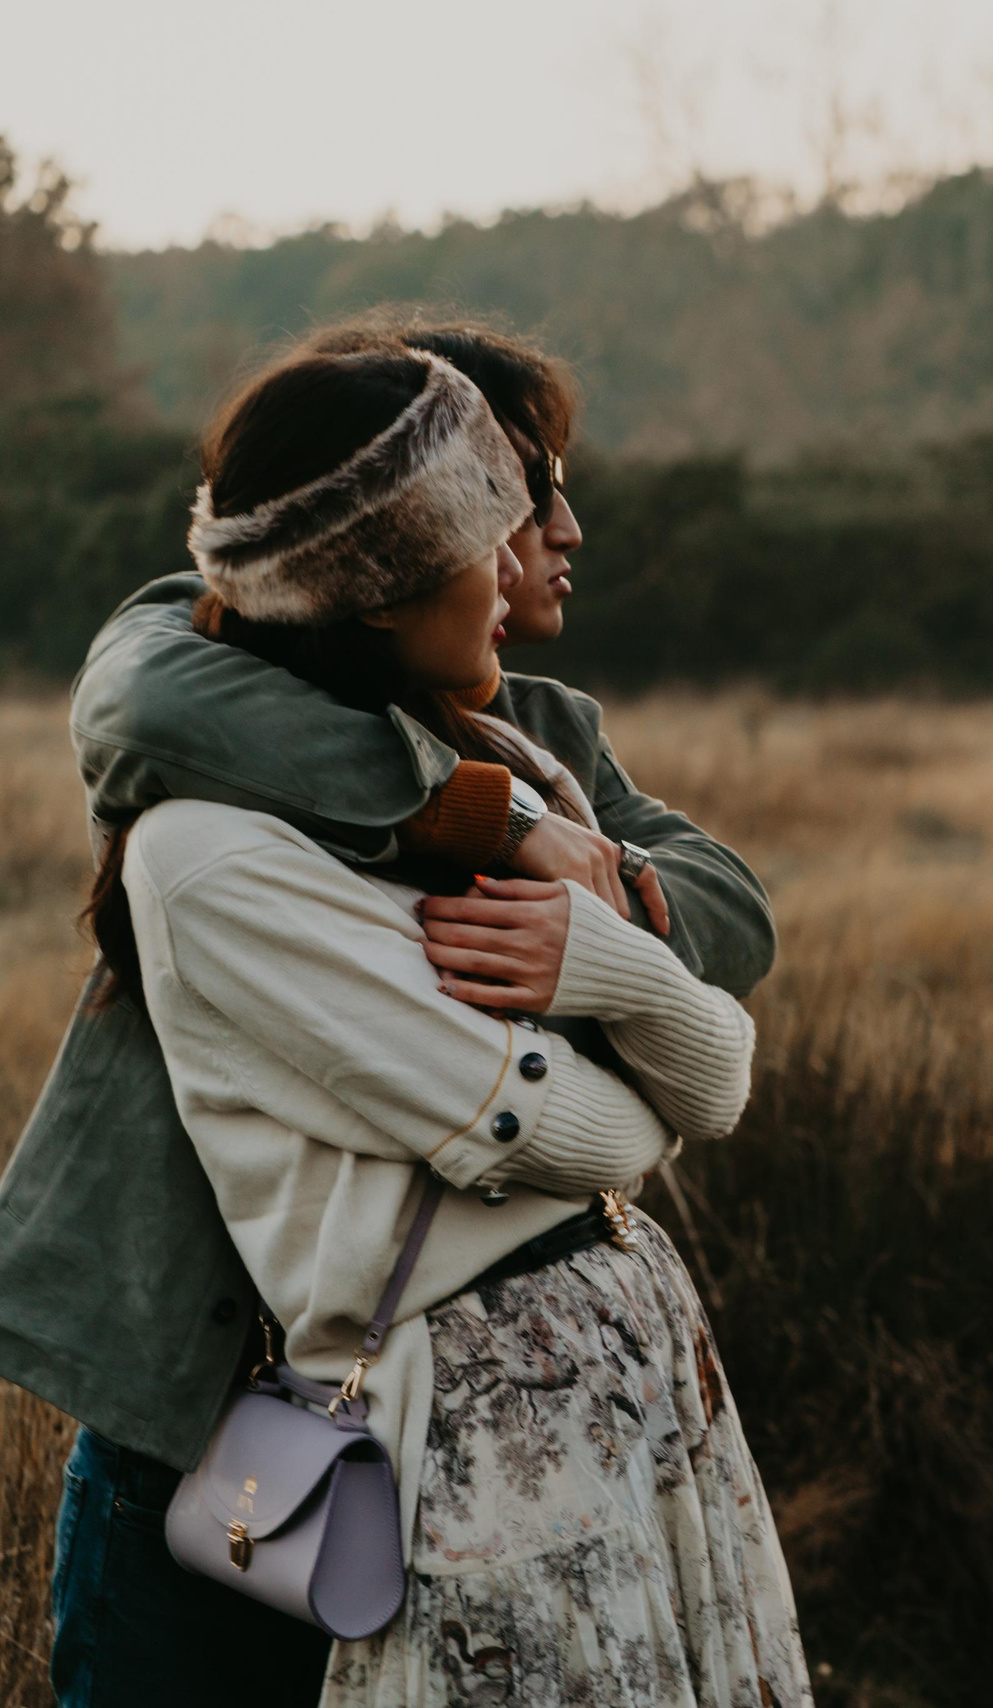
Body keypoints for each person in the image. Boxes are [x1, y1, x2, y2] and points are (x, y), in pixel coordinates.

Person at [5, 323, 783, 1706]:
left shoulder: (540, 735)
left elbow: (735, 919)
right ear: (384, 540)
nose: (553, 529)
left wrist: (596, 916)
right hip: (211, 1391)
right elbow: (134, 697)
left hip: (456, 1392)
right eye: (519, 488)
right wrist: (473, 816)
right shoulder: (200, 714)